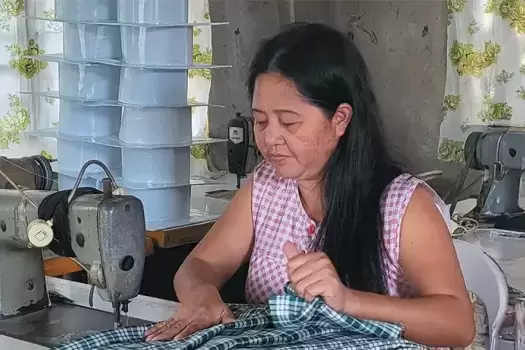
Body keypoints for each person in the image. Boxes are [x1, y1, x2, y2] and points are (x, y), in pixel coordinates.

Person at [145, 22, 475, 348]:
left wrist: (347, 301)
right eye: (260, 121)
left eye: (289, 122)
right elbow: (199, 266)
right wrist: (202, 296)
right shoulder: (266, 187)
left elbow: (458, 325)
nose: (270, 138)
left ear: (340, 119)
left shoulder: (403, 207)